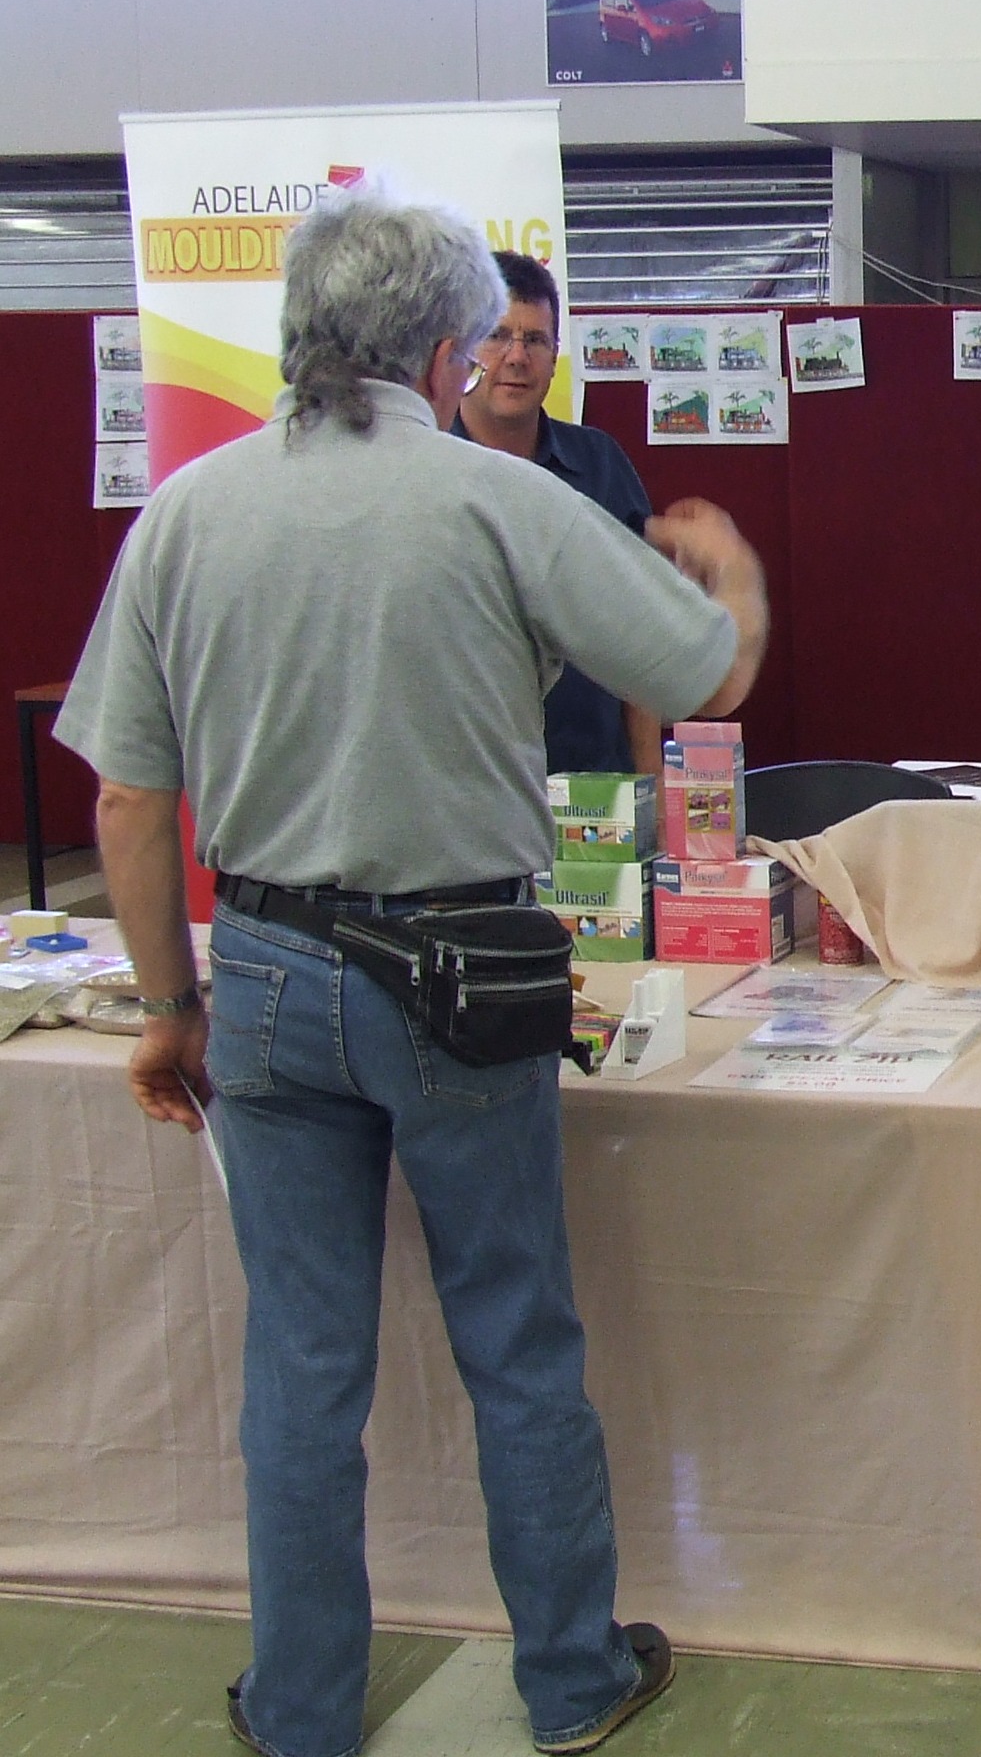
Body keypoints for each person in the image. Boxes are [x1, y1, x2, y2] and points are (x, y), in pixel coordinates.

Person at [55, 188, 769, 1757]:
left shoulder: (185, 510)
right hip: (463, 970)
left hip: (259, 968)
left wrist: (169, 1011)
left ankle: (301, 1706)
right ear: (448, 353)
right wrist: (728, 565)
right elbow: (704, 673)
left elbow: (127, 802)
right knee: (514, 1336)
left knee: (302, 1363)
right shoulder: (496, 500)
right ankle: (570, 1679)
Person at [456, 249, 663, 775]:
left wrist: (652, 783)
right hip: (464, 790)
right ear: (463, 349)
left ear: (554, 357)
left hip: (597, 788)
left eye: (535, 340)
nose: (516, 357)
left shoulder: (601, 466)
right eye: (497, 335)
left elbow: (641, 633)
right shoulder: (422, 472)